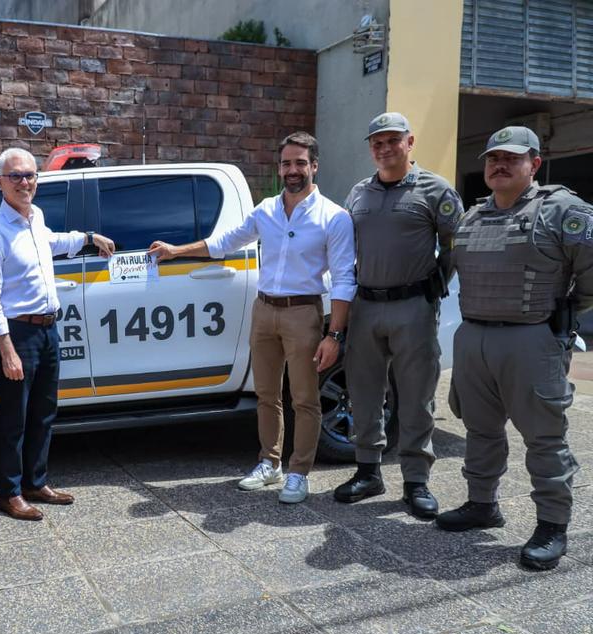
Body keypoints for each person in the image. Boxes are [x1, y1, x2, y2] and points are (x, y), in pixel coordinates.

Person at [149, 132, 356, 503]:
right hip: (264, 310)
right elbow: (226, 241)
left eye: (300, 163)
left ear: (314, 166)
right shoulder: (266, 210)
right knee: (266, 394)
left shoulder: (334, 217)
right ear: (279, 168)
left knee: (304, 399)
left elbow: (344, 279)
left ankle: (299, 472)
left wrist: (334, 335)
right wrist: (176, 250)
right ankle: (270, 462)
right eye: (286, 163)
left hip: (304, 313)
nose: (292, 170)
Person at [435, 126, 593, 570]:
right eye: (493, 158)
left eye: (512, 158)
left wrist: (562, 313)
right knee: (480, 429)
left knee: (543, 436)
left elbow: (590, 273)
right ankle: (481, 504)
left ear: (534, 164)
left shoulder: (562, 210)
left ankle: (552, 525)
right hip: (474, 338)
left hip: (531, 339)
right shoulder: (471, 216)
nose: (499, 165)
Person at [0, 148, 115, 520]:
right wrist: (6, 349)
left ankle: (36, 482)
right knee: (13, 418)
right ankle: (9, 493)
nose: (24, 182)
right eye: (15, 176)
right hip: (17, 334)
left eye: (30, 175)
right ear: (0, 182)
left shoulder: (35, 217)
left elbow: (53, 242)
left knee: (43, 412)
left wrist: (88, 237)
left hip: (49, 329)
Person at [335, 112, 463, 518]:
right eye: (377, 142)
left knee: (415, 396)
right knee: (364, 393)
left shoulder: (435, 189)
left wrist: (433, 285)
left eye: (393, 140)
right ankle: (368, 472)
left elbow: (455, 244)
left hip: (413, 307)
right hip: (366, 306)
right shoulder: (358, 193)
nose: (385, 148)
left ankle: (416, 481)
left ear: (409, 143)